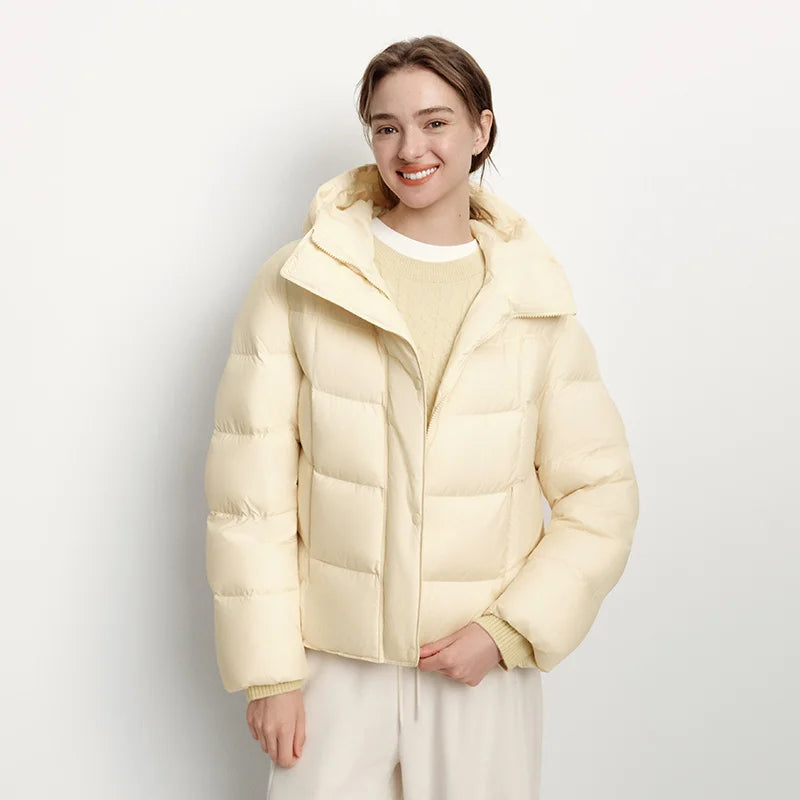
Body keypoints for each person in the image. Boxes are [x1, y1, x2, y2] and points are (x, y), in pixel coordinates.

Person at [203, 35, 639, 800]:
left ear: (481, 130)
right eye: (387, 126)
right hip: (332, 667)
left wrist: (507, 632)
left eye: (436, 122)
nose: (410, 149)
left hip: (476, 673)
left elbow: (600, 495)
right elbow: (250, 499)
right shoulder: (300, 282)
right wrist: (271, 673)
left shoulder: (532, 298)